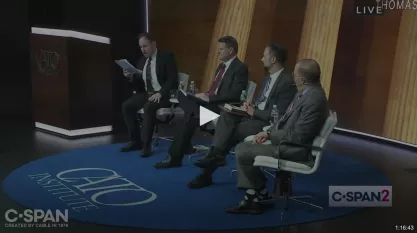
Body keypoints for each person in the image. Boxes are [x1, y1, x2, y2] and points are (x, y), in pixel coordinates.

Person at [225, 59, 329, 214]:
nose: (292, 74)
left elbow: (298, 136)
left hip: (297, 148)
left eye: (295, 72)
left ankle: (254, 196)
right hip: (288, 141)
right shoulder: (304, 92)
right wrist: (268, 132)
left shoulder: (314, 99)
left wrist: (269, 135)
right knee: (245, 147)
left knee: (243, 151)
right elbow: (285, 119)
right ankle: (258, 194)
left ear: (303, 79)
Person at [186, 43, 297, 189]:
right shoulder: (268, 79)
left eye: (264, 55)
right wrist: (251, 106)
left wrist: (254, 112)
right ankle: (215, 157)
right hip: (254, 115)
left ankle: (208, 170)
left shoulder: (287, 82)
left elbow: (280, 115)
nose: (261, 58)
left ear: (273, 59)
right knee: (227, 114)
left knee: (229, 133)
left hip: (265, 123)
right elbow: (263, 103)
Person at [153, 36, 249, 168]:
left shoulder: (240, 68)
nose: (218, 52)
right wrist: (203, 95)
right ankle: (178, 153)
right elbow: (214, 89)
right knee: (184, 98)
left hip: (221, 107)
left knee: (187, 116)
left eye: (221, 49)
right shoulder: (221, 66)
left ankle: (174, 158)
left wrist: (209, 98)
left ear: (231, 50)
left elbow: (235, 94)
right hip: (209, 104)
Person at [120, 33, 178, 157]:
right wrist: (131, 77)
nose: (143, 49)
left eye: (145, 46)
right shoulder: (142, 61)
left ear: (153, 44)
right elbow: (140, 86)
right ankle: (135, 141)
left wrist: (161, 93)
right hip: (147, 93)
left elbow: (172, 79)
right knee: (127, 106)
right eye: (141, 47)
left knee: (149, 107)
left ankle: (146, 145)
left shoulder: (166, 56)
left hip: (164, 95)